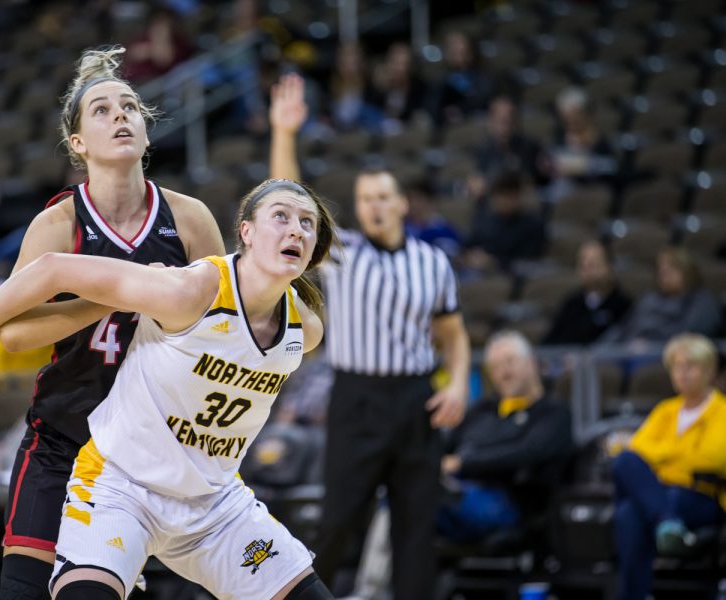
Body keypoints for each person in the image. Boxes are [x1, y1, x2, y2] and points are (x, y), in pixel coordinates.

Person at [0, 178, 337, 599]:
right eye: (281, 216)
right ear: (246, 231)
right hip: (121, 488)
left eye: (307, 223)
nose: (296, 230)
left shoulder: (307, 330)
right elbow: (53, 268)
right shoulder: (189, 291)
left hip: (214, 503)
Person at [0, 46, 225, 600]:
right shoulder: (57, 225)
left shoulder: (190, 219)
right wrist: (108, 297)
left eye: (130, 107)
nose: (121, 116)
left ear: (148, 134)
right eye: (102, 110)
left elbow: (221, 328)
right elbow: (10, 336)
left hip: (154, 448)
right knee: (24, 592)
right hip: (65, 434)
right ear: (78, 144)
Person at [270, 73, 471, 599]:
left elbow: (453, 333)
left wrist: (457, 384)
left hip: (415, 400)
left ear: (402, 203)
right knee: (337, 521)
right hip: (357, 397)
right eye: (365, 199)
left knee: (415, 530)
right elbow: (290, 201)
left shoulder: (434, 263)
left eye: (383, 196)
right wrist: (285, 134)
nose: (375, 206)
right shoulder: (342, 254)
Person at [612, 333, 726, 600]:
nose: (682, 373)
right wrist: (677, 455)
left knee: (632, 509)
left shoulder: (722, 410)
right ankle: (668, 523)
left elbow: (713, 459)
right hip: (663, 492)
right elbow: (633, 451)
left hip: (702, 495)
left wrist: (661, 458)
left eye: (690, 366)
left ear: (709, 370)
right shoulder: (666, 410)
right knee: (625, 470)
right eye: (676, 366)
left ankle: (634, 595)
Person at [439, 330, 573, 541]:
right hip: (456, 491)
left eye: (510, 362)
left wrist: (464, 462)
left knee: (425, 496)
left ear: (531, 362)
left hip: (510, 501)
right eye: (496, 367)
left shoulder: (553, 411)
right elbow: (447, 443)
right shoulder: (483, 408)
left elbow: (529, 451)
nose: (504, 372)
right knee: (406, 491)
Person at [600, 247, 721, 347]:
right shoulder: (648, 299)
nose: (664, 272)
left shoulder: (702, 300)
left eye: (672, 267)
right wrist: (596, 350)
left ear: (688, 270)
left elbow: (691, 335)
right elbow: (623, 328)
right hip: (628, 353)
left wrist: (651, 344)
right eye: (661, 268)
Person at [543, 240, 632, 346]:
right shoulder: (571, 304)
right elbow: (549, 343)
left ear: (609, 266)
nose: (587, 270)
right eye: (582, 265)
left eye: (593, 264)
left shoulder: (624, 306)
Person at [462, 169, 547, 273]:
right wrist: (468, 256)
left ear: (518, 196)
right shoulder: (487, 217)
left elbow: (528, 261)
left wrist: (494, 262)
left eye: (507, 196)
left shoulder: (533, 225)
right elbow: (470, 243)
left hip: (509, 278)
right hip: (476, 271)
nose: (500, 201)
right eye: (497, 196)